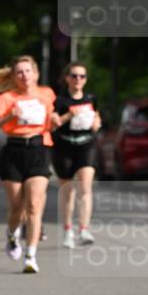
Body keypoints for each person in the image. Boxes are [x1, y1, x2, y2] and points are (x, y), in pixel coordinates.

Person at [0, 56, 55, 273]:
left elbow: (52, 119)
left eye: (28, 71)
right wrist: (9, 118)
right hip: (14, 151)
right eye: (20, 72)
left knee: (34, 205)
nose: (24, 75)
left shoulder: (47, 94)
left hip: (38, 149)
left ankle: (31, 255)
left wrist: (56, 121)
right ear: (14, 76)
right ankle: (12, 233)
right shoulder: (7, 98)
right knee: (17, 207)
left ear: (36, 74)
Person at [50, 62, 101, 248]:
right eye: (74, 76)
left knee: (85, 187)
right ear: (67, 78)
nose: (78, 79)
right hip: (63, 147)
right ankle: (67, 230)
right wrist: (68, 116)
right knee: (68, 190)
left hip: (86, 145)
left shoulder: (91, 98)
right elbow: (53, 124)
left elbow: (96, 116)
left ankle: (84, 229)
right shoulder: (60, 100)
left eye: (82, 76)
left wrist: (97, 121)